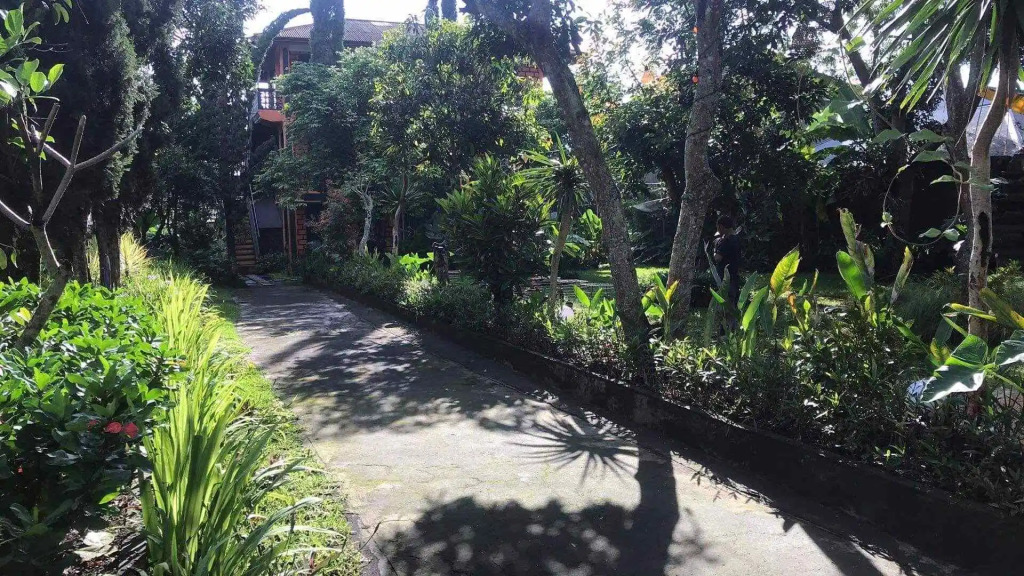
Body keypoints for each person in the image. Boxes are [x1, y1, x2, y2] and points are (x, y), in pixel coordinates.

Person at [713, 215, 742, 307]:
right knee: (734, 301)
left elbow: (717, 258)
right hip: (734, 274)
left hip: (726, 278)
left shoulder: (726, 241)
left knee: (727, 303)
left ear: (721, 226)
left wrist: (715, 249)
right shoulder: (737, 239)